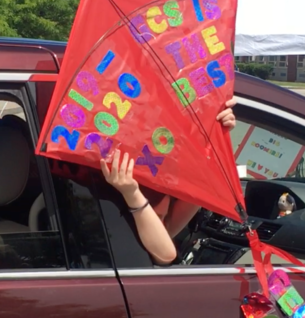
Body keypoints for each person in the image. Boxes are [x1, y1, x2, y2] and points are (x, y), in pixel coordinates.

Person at [100, 99, 237, 265]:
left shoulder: (174, 168)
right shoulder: (97, 161)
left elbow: (165, 241)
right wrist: (132, 194)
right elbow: (165, 255)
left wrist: (216, 132)